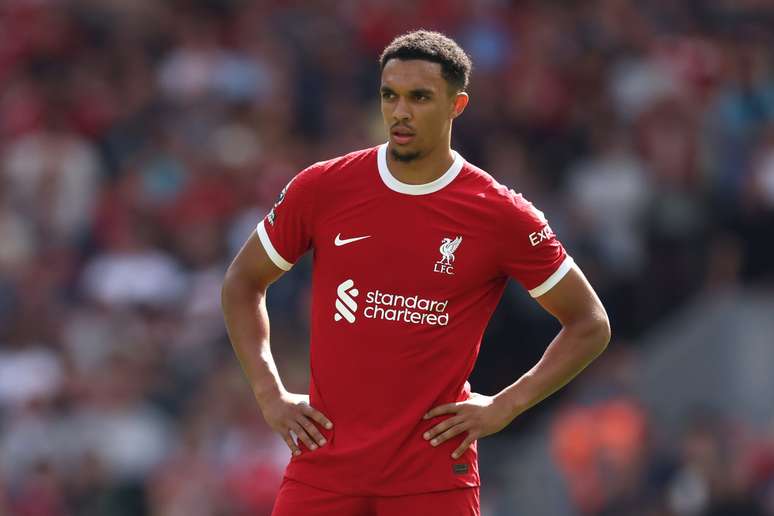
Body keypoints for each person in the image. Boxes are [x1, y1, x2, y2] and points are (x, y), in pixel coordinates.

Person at [221, 30, 610, 516]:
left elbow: (590, 323)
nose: (400, 112)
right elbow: (242, 282)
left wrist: (506, 404)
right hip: (324, 467)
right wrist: (269, 394)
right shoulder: (323, 188)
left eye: (420, 97)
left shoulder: (500, 214)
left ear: (456, 105)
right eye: (390, 96)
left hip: (432, 478)